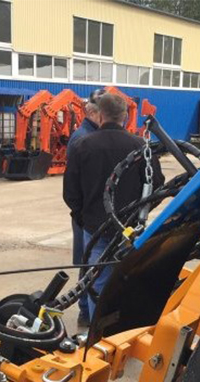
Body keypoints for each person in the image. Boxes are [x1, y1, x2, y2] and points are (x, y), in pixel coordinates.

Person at [62, 93, 147, 321]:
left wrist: (83, 217)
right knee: (127, 279)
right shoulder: (139, 145)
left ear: (100, 115)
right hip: (129, 228)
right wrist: (137, 212)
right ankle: (121, 330)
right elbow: (155, 183)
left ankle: (96, 329)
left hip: (95, 228)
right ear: (125, 116)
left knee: (96, 281)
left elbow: (70, 192)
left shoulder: (83, 145)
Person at [65, 91, 103, 327]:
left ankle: (89, 310)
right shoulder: (82, 138)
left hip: (90, 213)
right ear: (93, 113)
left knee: (93, 262)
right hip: (86, 215)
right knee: (88, 263)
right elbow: (73, 184)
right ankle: (85, 312)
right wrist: (81, 214)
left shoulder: (92, 136)